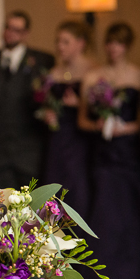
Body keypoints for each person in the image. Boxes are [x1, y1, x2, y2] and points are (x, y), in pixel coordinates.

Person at [78, 22, 140, 279]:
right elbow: (81, 120)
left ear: (127, 46)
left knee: (130, 211)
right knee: (105, 211)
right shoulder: (94, 77)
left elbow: (139, 121)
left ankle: (133, 273)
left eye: (119, 43)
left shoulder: (137, 76)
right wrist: (101, 126)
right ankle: (103, 274)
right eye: (109, 42)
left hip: (128, 152)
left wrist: (123, 128)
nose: (113, 48)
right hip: (102, 152)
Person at [0, 10, 55, 189]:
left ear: (26, 34)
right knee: (3, 208)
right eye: (7, 27)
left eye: (16, 29)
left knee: (31, 207)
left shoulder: (43, 61)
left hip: (30, 149)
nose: (10, 32)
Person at [40, 21, 95, 217]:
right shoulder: (55, 71)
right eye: (58, 41)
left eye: (65, 41)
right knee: (54, 187)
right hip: (57, 138)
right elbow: (47, 103)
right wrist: (47, 113)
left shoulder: (93, 70)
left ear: (80, 43)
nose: (59, 46)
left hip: (81, 139)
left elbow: (100, 112)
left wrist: (79, 104)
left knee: (78, 187)